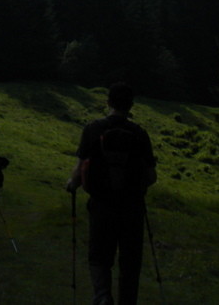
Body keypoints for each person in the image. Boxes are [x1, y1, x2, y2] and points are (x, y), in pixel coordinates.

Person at [66, 83, 157, 305]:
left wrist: (71, 184)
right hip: (132, 209)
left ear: (108, 102)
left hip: (101, 206)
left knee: (99, 257)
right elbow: (152, 176)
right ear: (131, 106)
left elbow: (79, 171)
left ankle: (103, 298)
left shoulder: (92, 130)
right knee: (130, 261)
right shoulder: (139, 134)